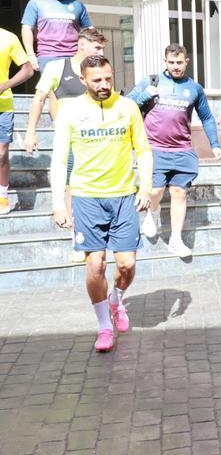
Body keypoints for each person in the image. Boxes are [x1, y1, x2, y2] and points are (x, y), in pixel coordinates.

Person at [51, 54, 152, 353]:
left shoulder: (128, 107)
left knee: (127, 264)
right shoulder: (70, 111)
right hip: (86, 197)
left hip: (123, 196)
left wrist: (144, 186)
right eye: (97, 80)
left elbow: (144, 150)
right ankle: (104, 327)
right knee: (95, 265)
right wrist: (59, 203)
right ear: (83, 80)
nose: (105, 84)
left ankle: (116, 300)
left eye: (108, 78)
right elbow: (59, 160)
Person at [127, 44, 221, 258]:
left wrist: (215, 144)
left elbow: (207, 117)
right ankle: (152, 213)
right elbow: (126, 105)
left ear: (186, 62)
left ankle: (176, 239)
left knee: (179, 193)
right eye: (171, 63)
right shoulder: (151, 81)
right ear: (165, 61)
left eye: (179, 63)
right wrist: (145, 95)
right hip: (154, 148)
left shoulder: (194, 89)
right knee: (155, 192)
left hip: (182, 150)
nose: (175, 67)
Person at [24, 27, 109, 151]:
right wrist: (30, 132)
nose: (101, 53)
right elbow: (39, 100)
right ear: (82, 45)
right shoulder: (56, 67)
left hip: (97, 136)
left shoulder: (100, 70)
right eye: (97, 48)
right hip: (69, 137)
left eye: (102, 49)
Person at [21, 0, 91, 70]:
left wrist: (91, 51)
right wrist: (31, 55)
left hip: (74, 55)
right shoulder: (36, 3)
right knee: (51, 86)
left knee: (74, 85)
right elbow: (27, 28)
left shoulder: (77, 5)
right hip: (47, 55)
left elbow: (89, 29)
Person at [0, 27, 36, 215]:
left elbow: (28, 70)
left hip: (3, 105)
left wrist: (5, 85)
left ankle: (2, 197)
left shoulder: (8, 38)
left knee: (2, 153)